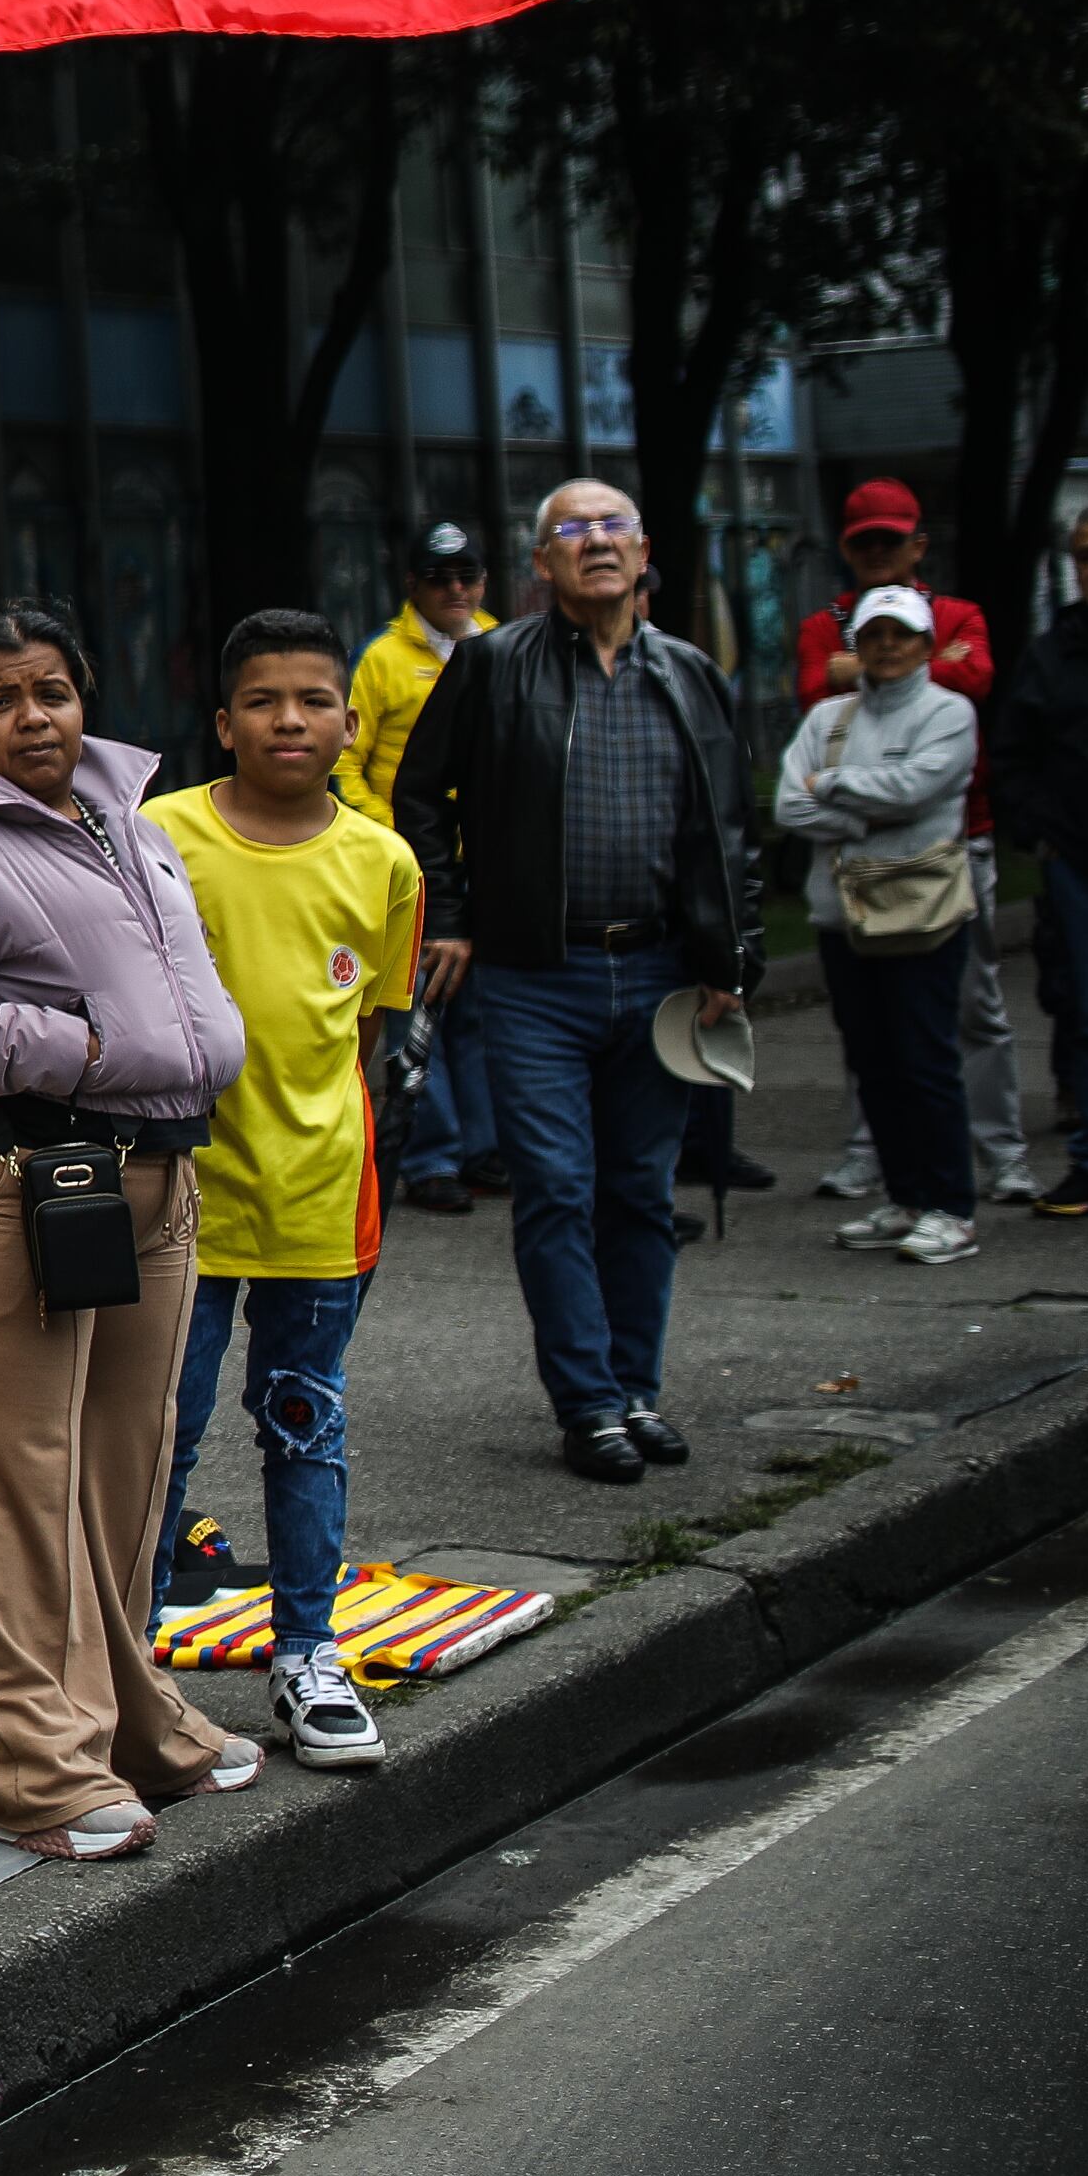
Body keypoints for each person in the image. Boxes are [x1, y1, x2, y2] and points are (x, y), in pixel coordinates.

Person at [0, 601, 256, 1861]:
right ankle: (22, 1770)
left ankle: (124, 1720)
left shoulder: (130, 825)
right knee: (10, 1481)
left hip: (148, 1179)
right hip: (6, 1183)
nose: (31, 719)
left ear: (84, 698)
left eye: (51, 692)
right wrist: (77, 1048)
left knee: (126, 1469)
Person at [389, 482, 759, 1484]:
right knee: (554, 1187)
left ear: (643, 551)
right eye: (571, 529)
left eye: (612, 527)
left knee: (640, 1188)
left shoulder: (688, 673)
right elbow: (419, 797)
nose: (594, 541)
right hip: (532, 973)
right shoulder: (491, 664)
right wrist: (450, 916)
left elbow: (728, 830)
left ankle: (636, 1390)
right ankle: (587, 1403)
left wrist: (729, 960)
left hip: (659, 969)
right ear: (541, 563)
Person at [148, 609, 421, 1774]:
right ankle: (128, 1666)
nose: (288, 721)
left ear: (348, 722)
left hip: (318, 1202)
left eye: (312, 701)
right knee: (158, 1436)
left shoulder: (384, 863)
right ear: (222, 723)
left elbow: (362, 1029)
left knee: (305, 1426)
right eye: (261, 701)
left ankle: (307, 1652)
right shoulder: (159, 835)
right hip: (179, 1200)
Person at [793, 479, 1025, 1203]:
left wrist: (839, 778)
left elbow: (973, 677)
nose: (878, 552)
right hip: (853, 872)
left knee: (971, 1011)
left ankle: (1001, 1155)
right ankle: (879, 1166)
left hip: (952, 854)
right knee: (873, 1036)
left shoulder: (961, 615)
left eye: (890, 540)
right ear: (845, 548)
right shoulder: (823, 625)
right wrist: (867, 804)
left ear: (919, 544)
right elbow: (814, 695)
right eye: (863, 541)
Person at [782, 584, 985, 1267]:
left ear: (927, 645)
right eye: (875, 634)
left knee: (926, 1061)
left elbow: (921, 788)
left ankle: (952, 1207)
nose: (888, 646)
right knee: (872, 1062)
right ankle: (906, 1198)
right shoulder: (828, 717)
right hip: (843, 918)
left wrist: (833, 786)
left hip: (923, 919)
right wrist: (872, 812)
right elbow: (788, 805)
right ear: (858, 645)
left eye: (902, 634)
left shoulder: (949, 712)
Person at [337, 522, 502, 1216]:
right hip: (408, 866)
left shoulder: (501, 646)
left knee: (481, 1011)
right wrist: (397, 837)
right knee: (417, 1008)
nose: (455, 589)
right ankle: (431, 1156)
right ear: (412, 585)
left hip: (485, 864)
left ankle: (484, 1148)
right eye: (439, 578)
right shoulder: (379, 658)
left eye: (468, 576)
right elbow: (345, 760)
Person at [988, 500, 1088, 1218]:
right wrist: (1046, 837)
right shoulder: (1054, 654)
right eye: (1087, 555)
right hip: (1085, 871)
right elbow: (1013, 757)